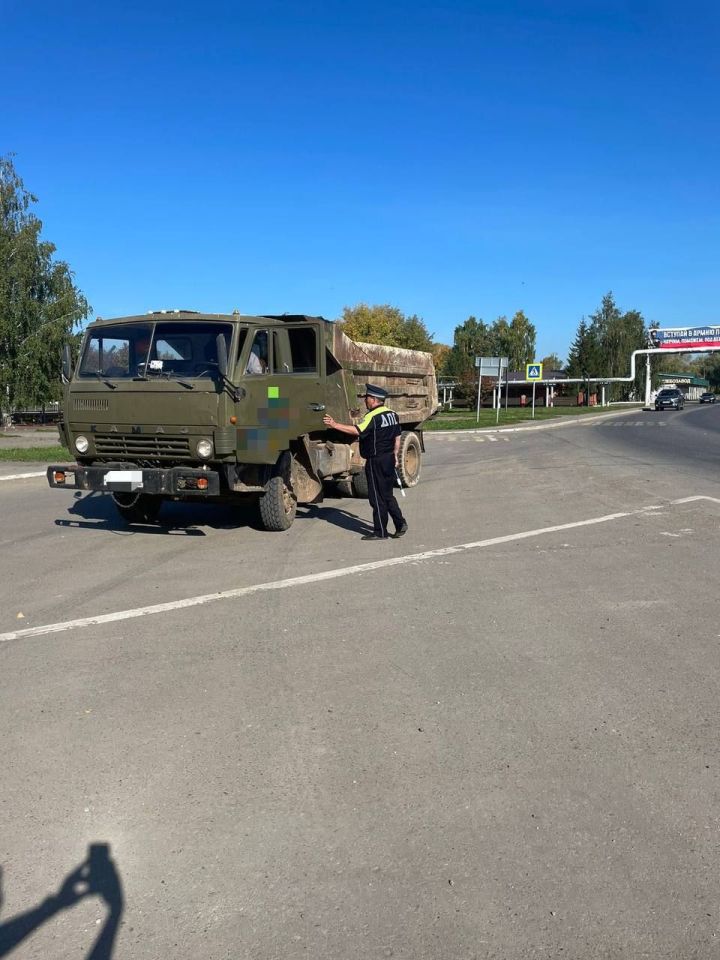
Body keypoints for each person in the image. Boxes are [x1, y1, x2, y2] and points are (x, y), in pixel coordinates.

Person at [323, 383, 408, 541]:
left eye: (367, 398)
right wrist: (395, 455)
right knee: (387, 494)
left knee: (376, 496)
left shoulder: (372, 416)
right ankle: (400, 523)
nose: (365, 400)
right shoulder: (392, 414)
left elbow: (357, 430)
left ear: (375, 400)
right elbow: (397, 436)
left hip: (376, 460)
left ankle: (380, 531)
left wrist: (334, 425)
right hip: (389, 458)